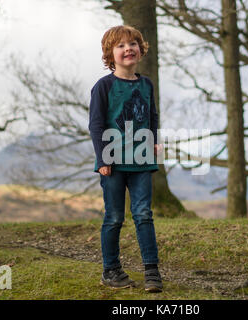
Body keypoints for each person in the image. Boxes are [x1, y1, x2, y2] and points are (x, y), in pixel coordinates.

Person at [88, 25, 163, 292]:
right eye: (120, 45)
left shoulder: (146, 85)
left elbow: (152, 116)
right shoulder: (104, 86)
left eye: (132, 43)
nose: (127, 48)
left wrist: (154, 139)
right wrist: (102, 159)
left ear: (141, 50)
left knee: (143, 214)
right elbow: (96, 125)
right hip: (113, 163)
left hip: (141, 160)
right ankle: (111, 270)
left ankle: (152, 272)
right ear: (111, 54)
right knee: (114, 217)